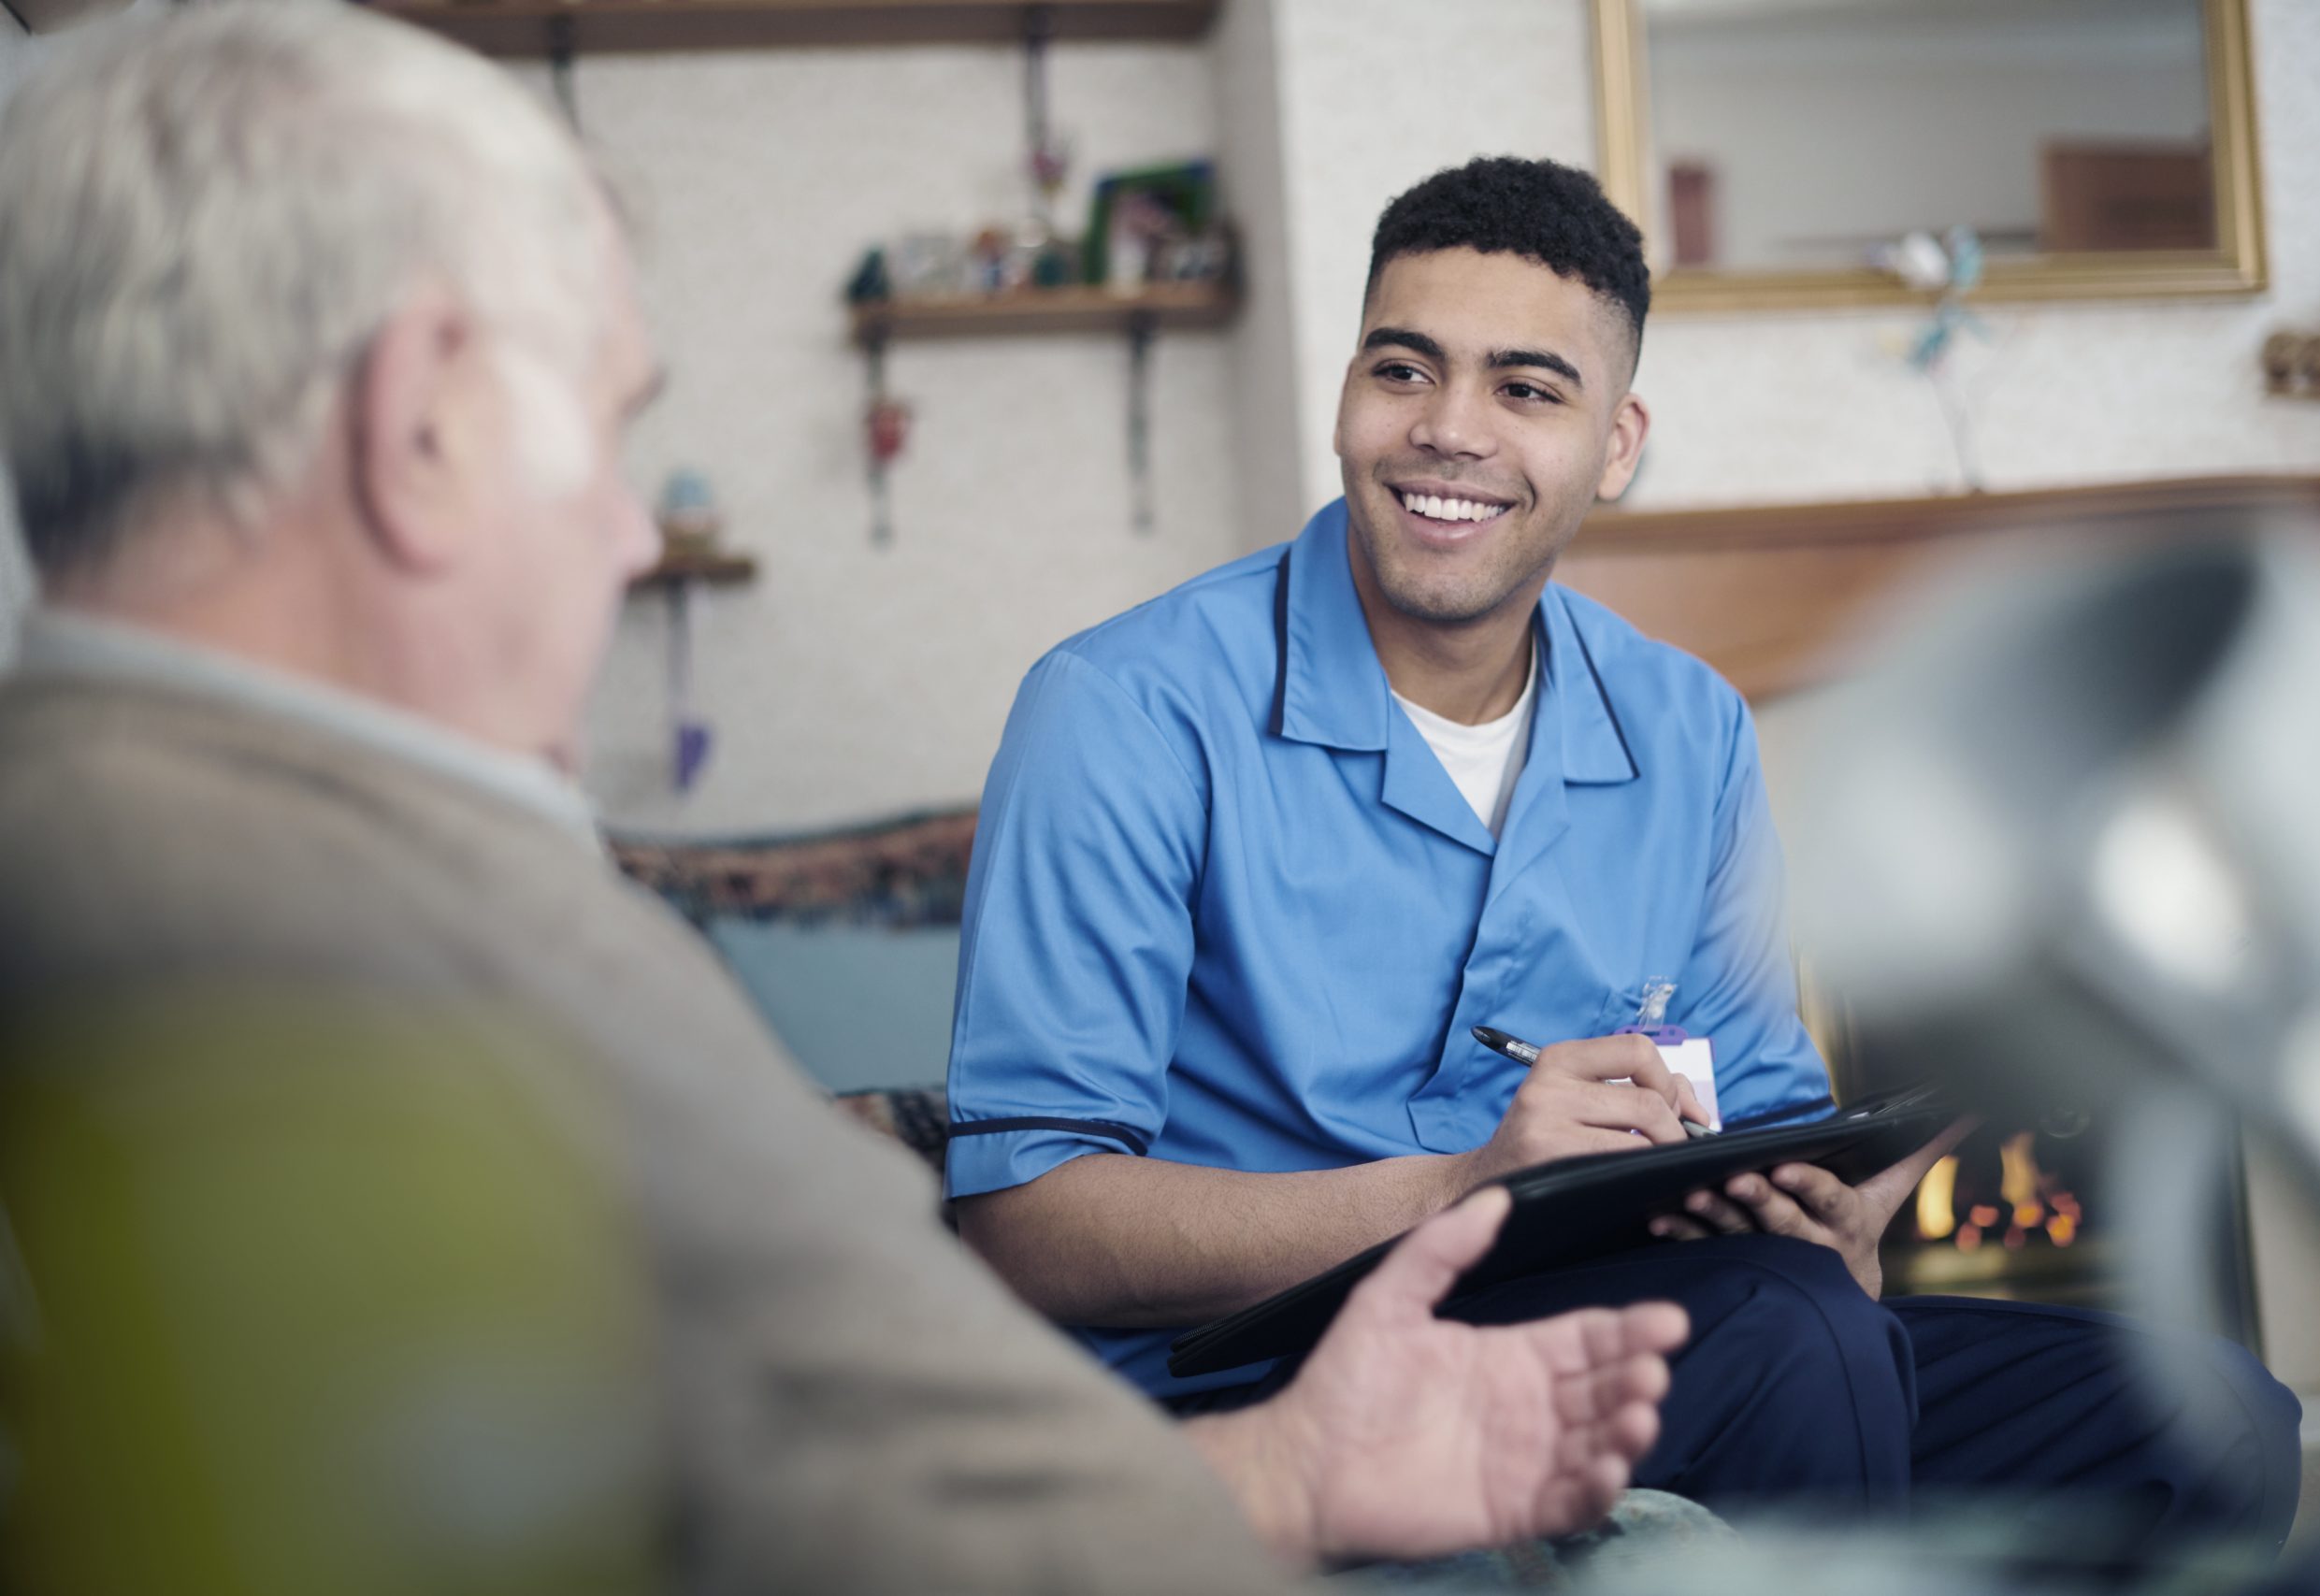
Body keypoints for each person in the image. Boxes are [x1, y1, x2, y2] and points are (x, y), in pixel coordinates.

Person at [0, 11, 1691, 1592]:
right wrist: (1290, 1479)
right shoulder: (402, 925)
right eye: (603, 434)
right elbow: (900, 1447)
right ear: (418, 427)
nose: (626, 535)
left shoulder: (107, 831)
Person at [944, 155, 2304, 1547]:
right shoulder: (1120, 710)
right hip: (1258, 1379)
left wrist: (1830, 1211)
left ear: (1617, 442)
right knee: (1795, 1344)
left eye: (1528, 390)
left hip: (1652, 1327)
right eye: (1403, 371)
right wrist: (1464, 1188)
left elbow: (1766, 1121)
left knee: (2214, 1416)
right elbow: (1026, 1226)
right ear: (1347, 394)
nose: (1449, 432)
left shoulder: (1690, 726)